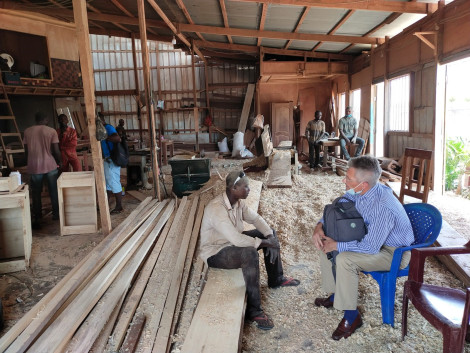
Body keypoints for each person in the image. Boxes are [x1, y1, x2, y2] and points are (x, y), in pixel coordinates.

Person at [312, 155, 414, 340]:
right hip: (374, 241)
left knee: (344, 258)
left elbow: (370, 247)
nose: (344, 180)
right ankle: (336, 293)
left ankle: (352, 317)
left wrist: (338, 245)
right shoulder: (361, 191)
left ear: (363, 185)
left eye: (348, 178)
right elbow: (339, 205)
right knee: (327, 242)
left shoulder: (383, 207)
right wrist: (320, 226)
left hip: (393, 253)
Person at [200, 171, 300, 330]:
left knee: (270, 233)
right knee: (250, 253)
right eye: (245, 187)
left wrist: (270, 237)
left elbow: (256, 219)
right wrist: (265, 243)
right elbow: (237, 240)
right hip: (216, 252)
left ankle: (276, 278)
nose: (249, 190)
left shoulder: (238, 203)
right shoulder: (216, 209)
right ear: (233, 188)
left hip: (231, 243)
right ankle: (254, 311)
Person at [23, 112, 62, 228]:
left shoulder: (27, 131)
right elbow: (56, 150)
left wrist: (29, 162)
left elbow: (26, 151)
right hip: (50, 165)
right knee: (53, 191)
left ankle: (38, 216)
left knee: (36, 193)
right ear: (45, 119)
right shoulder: (51, 131)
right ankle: (56, 215)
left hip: (34, 166)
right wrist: (59, 161)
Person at [99, 113, 123, 214]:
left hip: (112, 159)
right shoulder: (100, 129)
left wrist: (105, 137)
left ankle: (119, 206)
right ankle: (105, 204)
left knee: (114, 182)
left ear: (100, 120)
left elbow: (118, 139)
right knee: (108, 183)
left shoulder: (107, 127)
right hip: (107, 159)